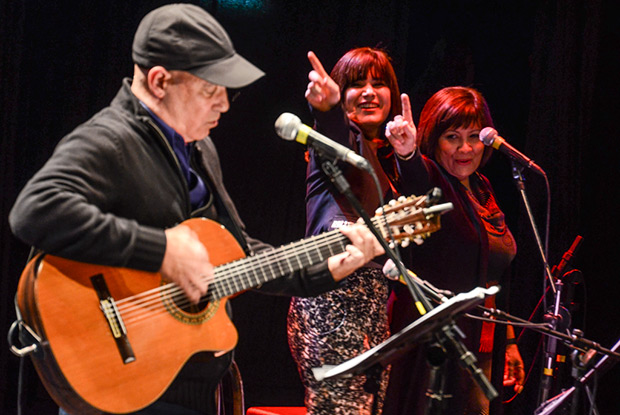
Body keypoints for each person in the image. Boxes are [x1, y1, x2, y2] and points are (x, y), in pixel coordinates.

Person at [8, 4, 384, 415]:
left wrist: (328, 268)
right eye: (210, 90)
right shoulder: (110, 138)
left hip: (183, 387)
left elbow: (240, 255)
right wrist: (162, 250)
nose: (223, 104)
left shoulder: (198, 148)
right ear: (159, 81)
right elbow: (35, 210)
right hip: (121, 387)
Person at [286, 48, 417, 415]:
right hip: (333, 294)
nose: (369, 92)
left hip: (371, 300)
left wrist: (408, 155)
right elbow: (334, 133)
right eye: (356, 85)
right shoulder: (339, 141)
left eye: (379, 84)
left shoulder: (383, 159)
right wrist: (326, 107)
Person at [382, 86, 525, 415]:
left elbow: (490, 273)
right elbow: (418, 177)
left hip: (478, 342)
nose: (466, 148)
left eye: (474, 136)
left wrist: (511, 340)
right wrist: (407, 152)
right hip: (432, 347)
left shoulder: (482, 188)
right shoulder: (436, 181)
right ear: (433, 138)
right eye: (452, 137)